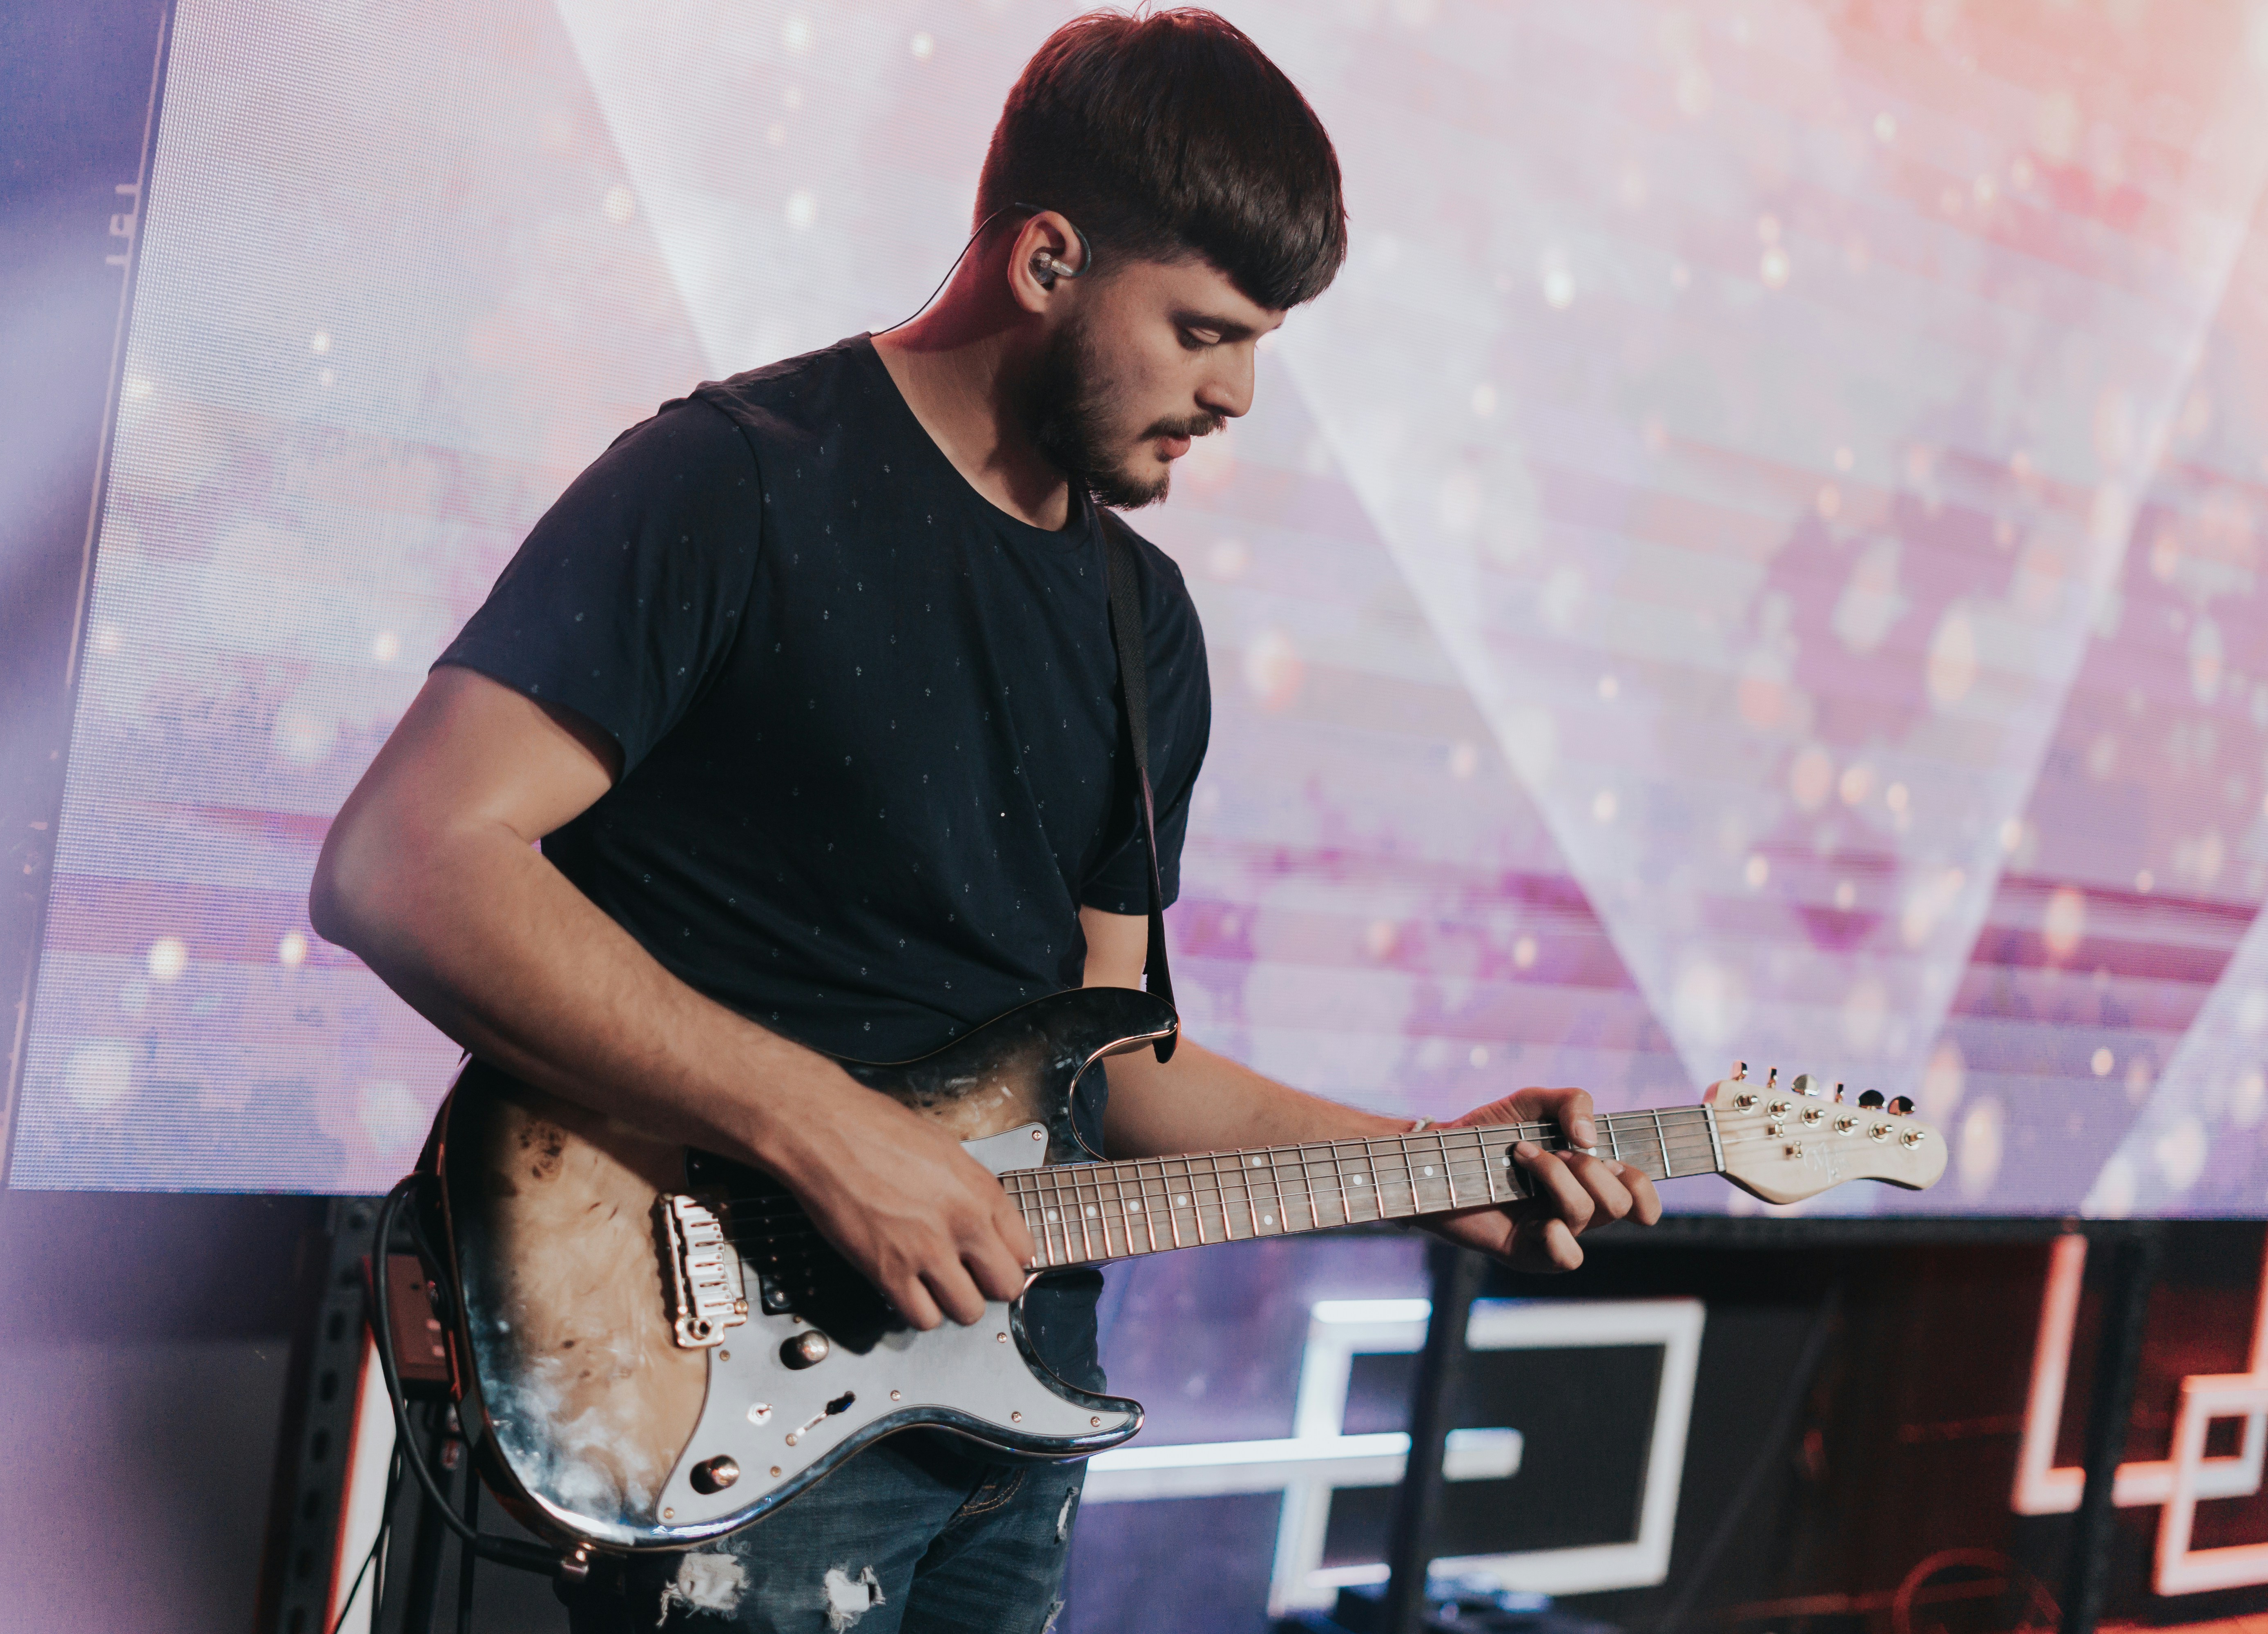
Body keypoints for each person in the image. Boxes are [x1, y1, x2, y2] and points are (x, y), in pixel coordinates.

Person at [310, 9, 1661, 1630]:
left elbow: (1117, 1061)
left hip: (1006, 1416)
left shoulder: (1143, 625)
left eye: (1259, 344)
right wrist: (822, 1128)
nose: (1236, 391)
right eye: (1204, 331)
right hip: (723, 1398)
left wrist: (1430, 1166)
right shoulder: (732, 482)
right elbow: (408, 861)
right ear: (1046, 259)